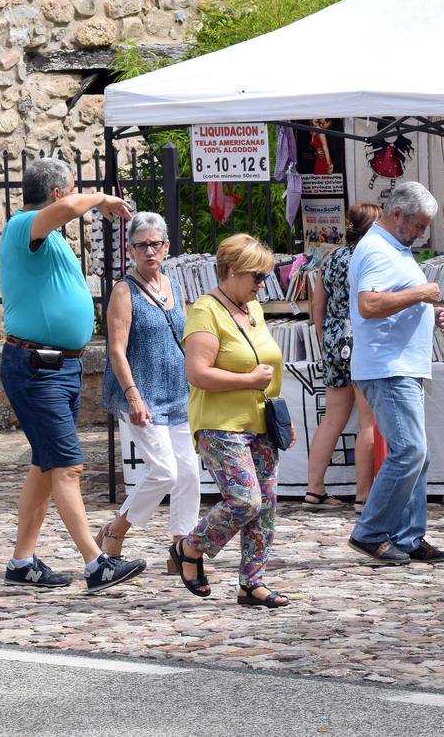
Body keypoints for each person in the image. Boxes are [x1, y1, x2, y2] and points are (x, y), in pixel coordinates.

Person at [0, 157, 147, 593]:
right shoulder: (23, 226)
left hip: (61, 366)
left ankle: (22, 562)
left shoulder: (49, 235)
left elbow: (64, 214)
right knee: (68, 465)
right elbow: (65, 210)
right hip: (36, 368)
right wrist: (100, 198)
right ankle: (96, 562)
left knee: (46, 466)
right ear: (59, 193)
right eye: (74, 189)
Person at [172, 234, 295, 608]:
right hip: (220, 423)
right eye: (257, 277)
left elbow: (265, 362)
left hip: (260, 420)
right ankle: (189, 548)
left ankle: (251, 583)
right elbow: (197, 373)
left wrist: (270, 396)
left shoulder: (252, 309)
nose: (263, 285)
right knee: (244, 500)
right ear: (233, 271)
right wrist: (248, 381)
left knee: (267, 504)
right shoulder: (205, 312)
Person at [346, 182, 444, 566]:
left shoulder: (395, 249)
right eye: (420, 225)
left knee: (416, 454)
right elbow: (369, 304)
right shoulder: (377, 249)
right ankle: (371, 532)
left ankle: (408, 537)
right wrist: (421, 296)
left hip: (399, 364)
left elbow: (394, 299)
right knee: (409, 451)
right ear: (397, 216)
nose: (423, 233)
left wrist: (429, 312)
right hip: (387, 367)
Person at [96, 212, 199, 573]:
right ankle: (116, 529)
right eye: (142, 245)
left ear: (167, 246)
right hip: (141, 393)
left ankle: (181, 550)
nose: (149, 251)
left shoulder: (175, 286)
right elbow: (116, 350)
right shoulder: (124, 291)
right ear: (131, 250)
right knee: (164, 472)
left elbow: (185, 338)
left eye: (156, 244)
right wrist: (134, 395)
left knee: (188, 473)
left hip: (177, 392)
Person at [304, 202, 384, 512]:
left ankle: (314, 489)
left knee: (333, 417)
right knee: (368, 421)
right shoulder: (371, 257)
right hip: (362, 340)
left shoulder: (332, 258)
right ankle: (363, 495)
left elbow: (318, 305)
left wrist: (325, 339)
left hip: (335, 341)